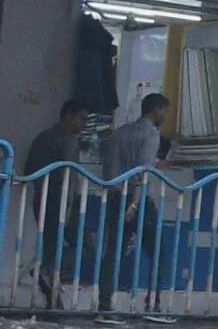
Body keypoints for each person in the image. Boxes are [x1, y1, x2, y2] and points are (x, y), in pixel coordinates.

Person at [98, 94, 168, 309]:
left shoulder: (119, 133)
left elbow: (109, 166)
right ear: (156, 110)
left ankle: (105, 305)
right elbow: (142, 172)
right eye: (164, 111)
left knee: (113, 253)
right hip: (138, 199)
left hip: (116, 195)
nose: (165, 116)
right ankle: (153, 304)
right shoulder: (151, 135)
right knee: (158, 251)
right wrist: (136, 203)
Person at [22, 98, 85, 306]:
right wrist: (67, 209)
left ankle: (53, 299)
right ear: (68, 117)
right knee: (85, 246)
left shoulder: (43, 137)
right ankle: (46, 273)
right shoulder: (69, 141)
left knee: (51, 247)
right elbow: (69, 173)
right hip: (61, 202)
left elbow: (29, 170)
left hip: (41, 199)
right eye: (81, 119)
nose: (84, 124)